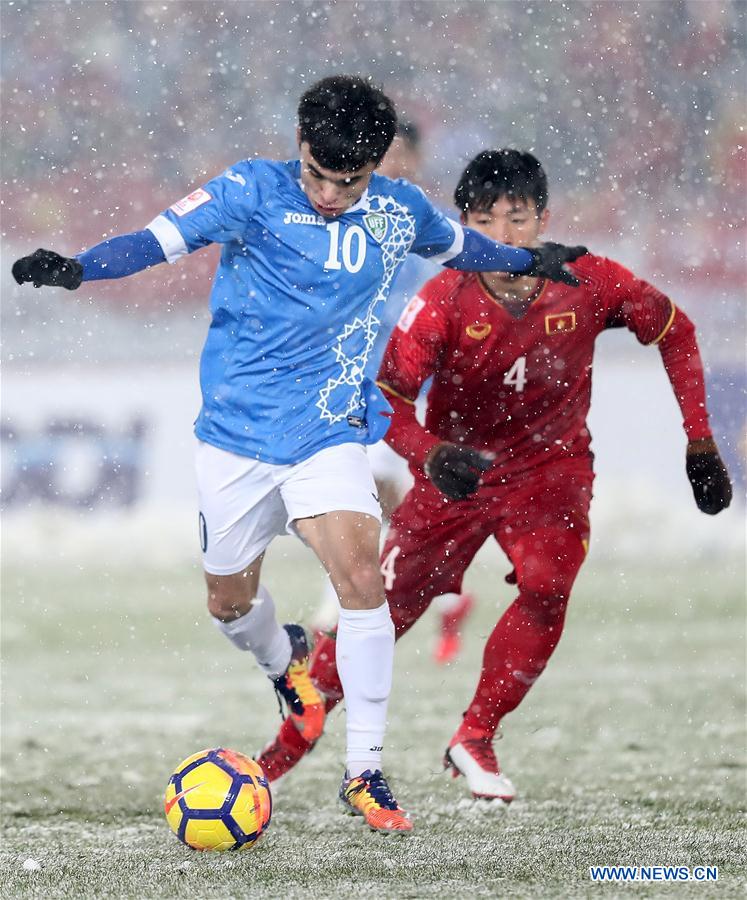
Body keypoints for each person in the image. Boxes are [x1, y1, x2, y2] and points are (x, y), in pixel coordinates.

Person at [12, 80, 585, 831]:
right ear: (299, 143)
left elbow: (461, 245)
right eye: (317, 175)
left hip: (328, 429)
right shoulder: (249, 191)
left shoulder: (398, 210)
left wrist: (524, 257)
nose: (329, 195)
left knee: (361, 580)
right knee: (227, 604)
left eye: (349, 182)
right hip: (235, 439)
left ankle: (365, 771)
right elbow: (154, 242)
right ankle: (282, 660)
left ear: (374, 166)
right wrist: (80, 268)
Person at [256, 148, 733, 802]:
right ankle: (283, 751)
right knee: (378, 615)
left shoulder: (589, 281)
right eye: (485, 221)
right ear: (465, 225)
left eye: (517, 218)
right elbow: (386, 396)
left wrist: (699, 441)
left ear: (543, 220)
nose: (502, 235)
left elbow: (675, 329)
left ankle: (475, 735)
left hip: (549, 471)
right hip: (458, 475)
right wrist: (429, 454)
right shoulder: (442, 301)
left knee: (547, 585)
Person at [311, 118, 475, 664]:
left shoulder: (437, 229)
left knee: (366, 490)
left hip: (414, 389)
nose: (392, 165)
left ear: (418, 161)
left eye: (400, 154)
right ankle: (441, 589)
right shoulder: (348, 224)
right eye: (384, 156)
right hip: (357, 382)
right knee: (376, 495)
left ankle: (339, 612)